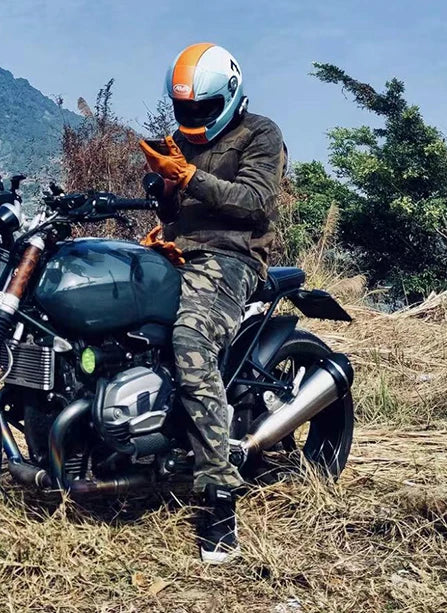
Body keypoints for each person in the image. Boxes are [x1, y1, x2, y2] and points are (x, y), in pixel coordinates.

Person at [140, 43, 287, 564]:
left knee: (190, 338)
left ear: (229, 94)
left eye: (202, 107)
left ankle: (219, 494)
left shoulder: (260, 134)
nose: (193, 117)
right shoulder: (180, 140)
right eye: (185, 108)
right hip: (177, 252)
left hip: (231, 259)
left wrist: (188, 176)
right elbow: (176, 209)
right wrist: (162, 192)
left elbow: (254, 202)